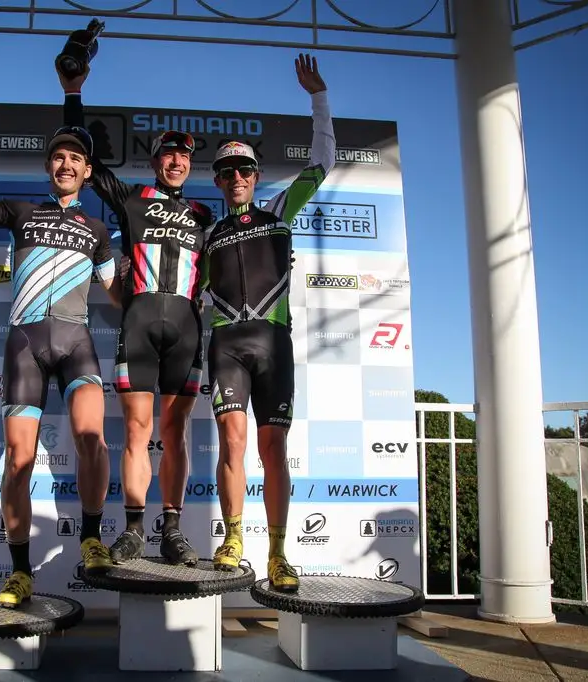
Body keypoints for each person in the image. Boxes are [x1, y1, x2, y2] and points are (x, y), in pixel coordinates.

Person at [0, 103, 123, 607]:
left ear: (86, 170)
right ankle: (19, 572)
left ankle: (91, 537)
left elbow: (122, 297)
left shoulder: (99, 231)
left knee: (93, 442)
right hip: (25, 345)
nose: (66, 164)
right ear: (49, 167)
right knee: (18, 462)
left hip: (78, 343)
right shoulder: (20, 210)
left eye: (75, 158)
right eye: (58, 156)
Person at [56, 61, 213, 567]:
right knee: (138, 431)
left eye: (183, 157)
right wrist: (74, 92)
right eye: (168, 154)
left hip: (187, 327)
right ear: (156, 162)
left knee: (176, 433)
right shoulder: (132, 199)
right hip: (140, 322)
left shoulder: (204, 215)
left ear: (190, 167)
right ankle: (131, 530)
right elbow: (87, 160)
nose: (176, 162)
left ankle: (172, 530)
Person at [202, 54, 336, 592]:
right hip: (225, 345)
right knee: (231, 442)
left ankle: (278, 552)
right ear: (217, 180)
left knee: (272, 448)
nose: (236, 178)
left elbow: (323, 162)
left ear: (256, 177)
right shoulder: (204, 229)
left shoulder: (279, 209)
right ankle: (233, 538)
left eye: (245, 170)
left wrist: (319, 99)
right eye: (227, 171)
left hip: (273, 344)